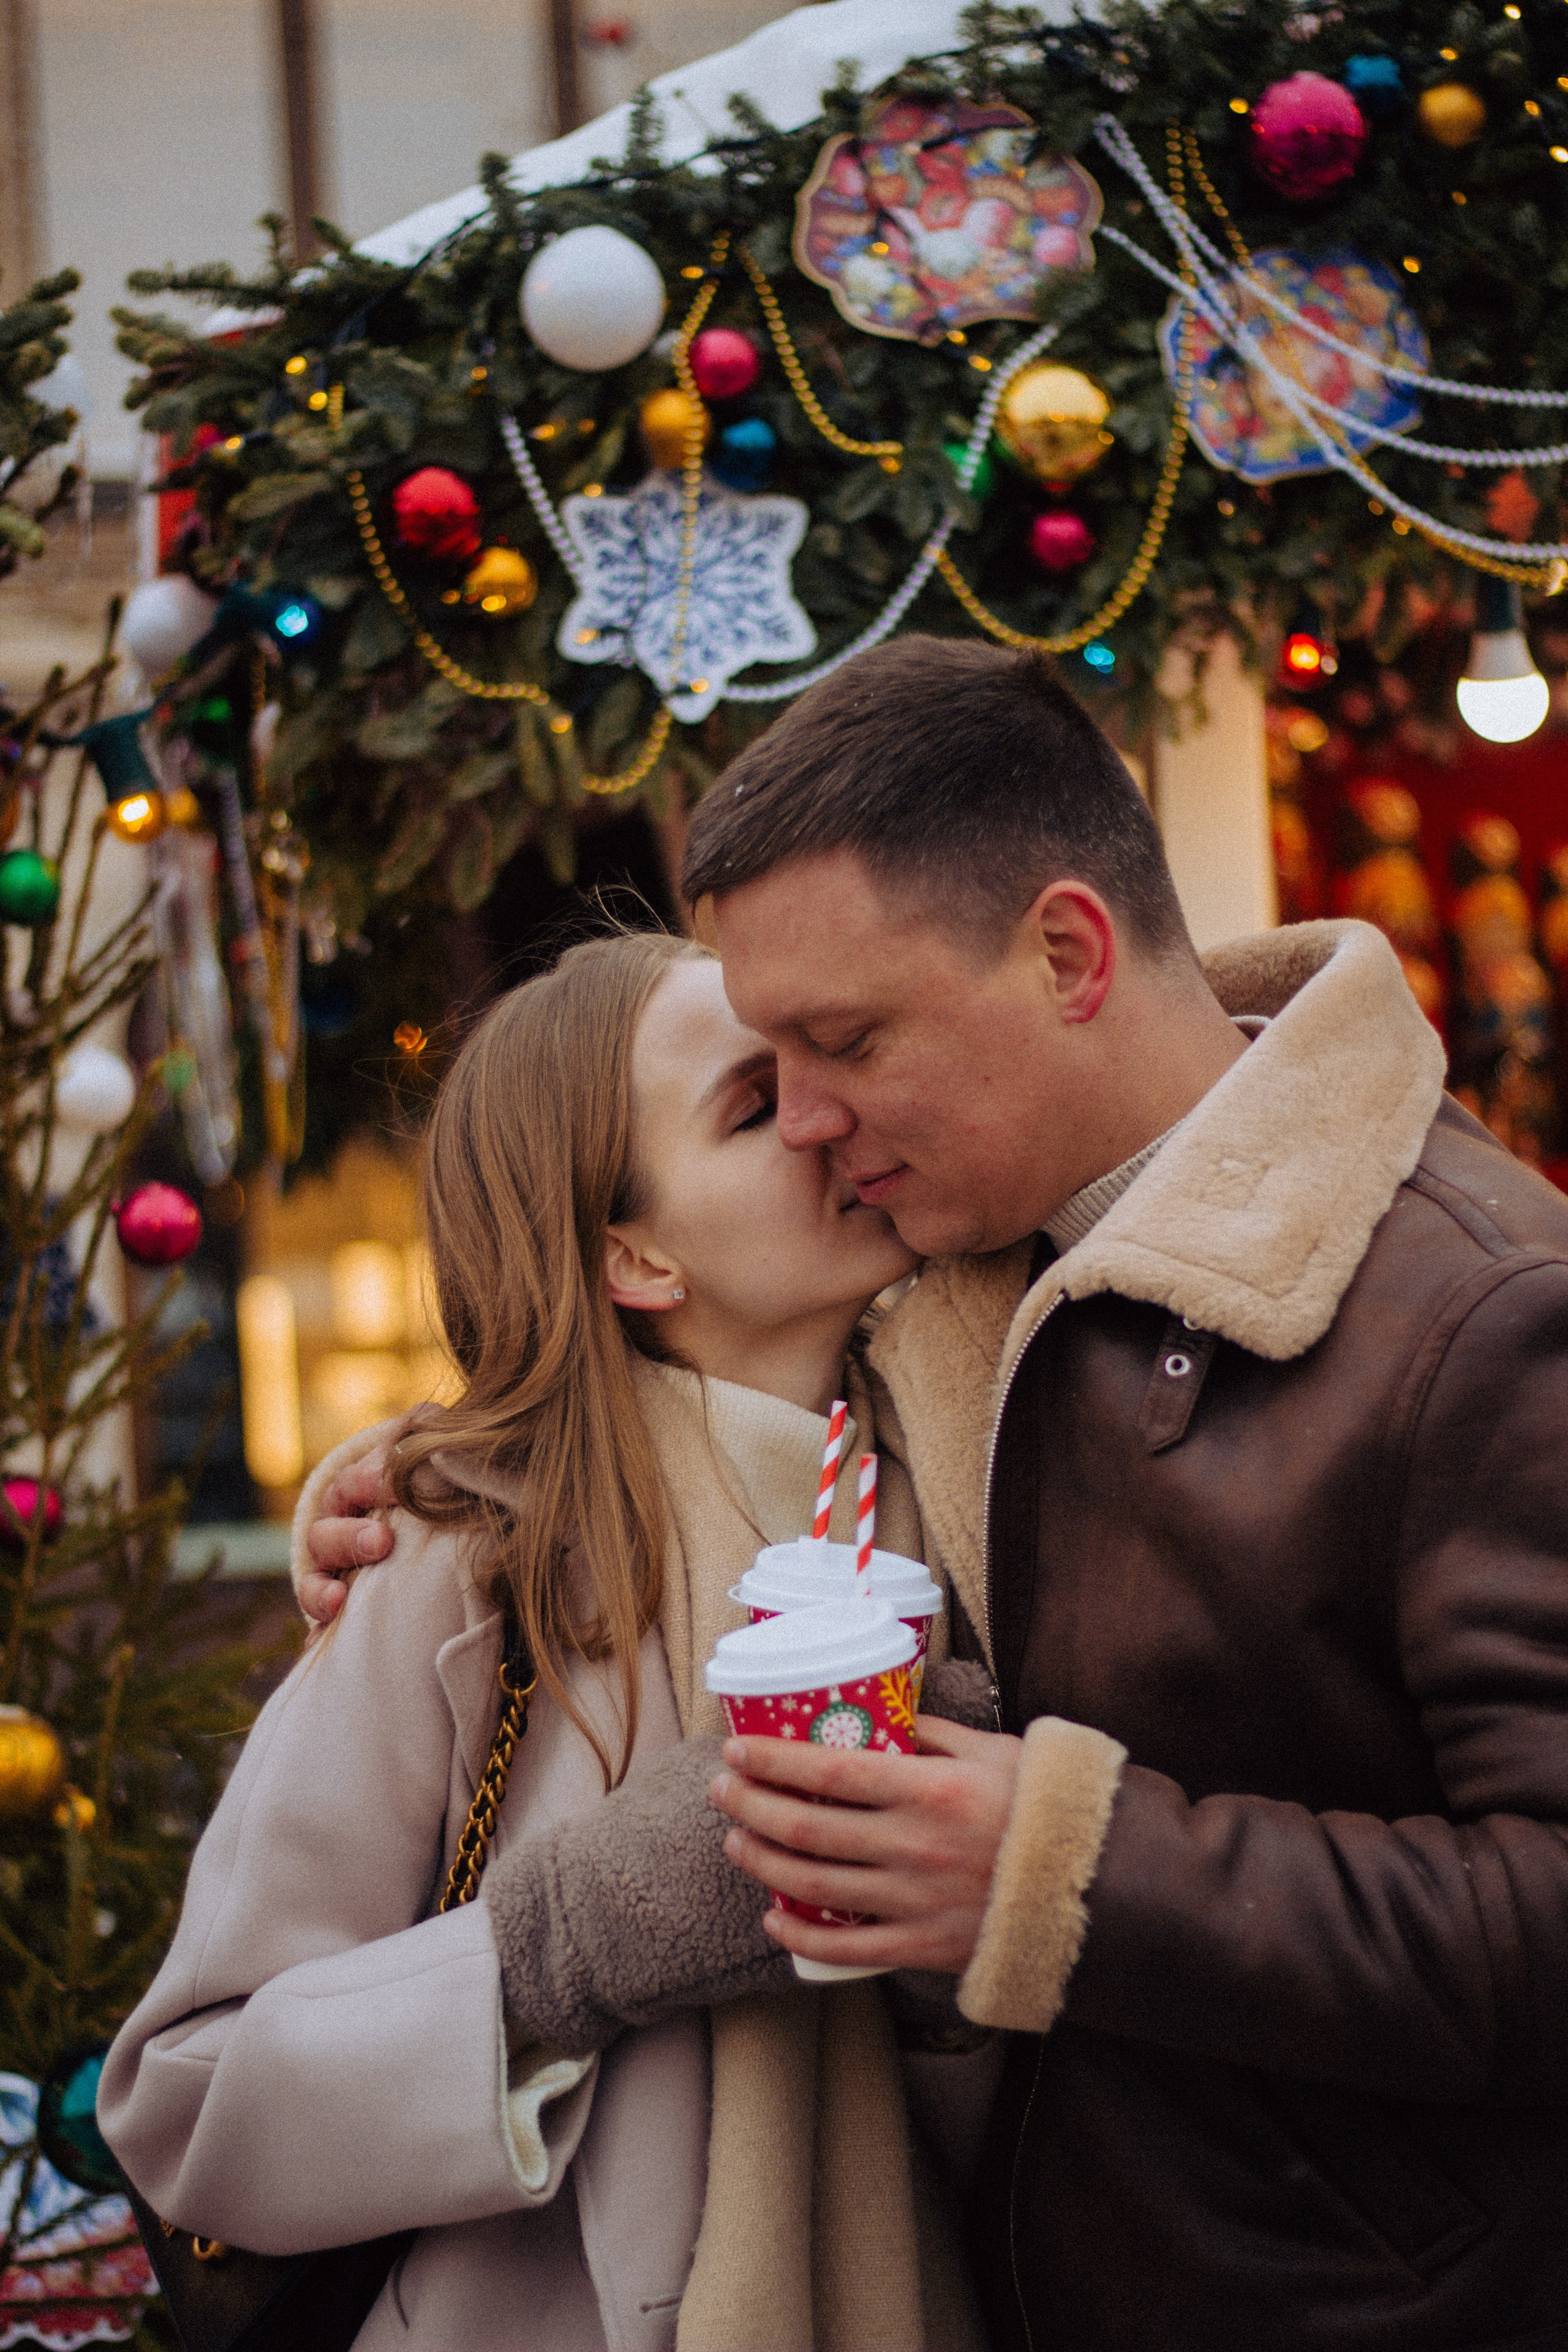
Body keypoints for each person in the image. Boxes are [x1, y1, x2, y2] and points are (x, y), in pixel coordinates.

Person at [665, 633, 1568, 2352]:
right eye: (766, 1062)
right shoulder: (954, 1248)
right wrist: (407, 1492)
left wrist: (1066, 1875)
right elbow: (669, 1369)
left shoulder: (1488, 1313)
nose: (795, 1120)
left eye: (842, 1038)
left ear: (1068, 951)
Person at [99, 930, 989, 2352]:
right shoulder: (460, 1560)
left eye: (830, 1060)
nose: (828, 1114)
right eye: (756, 1104)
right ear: (633, 1252)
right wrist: (555, 1950)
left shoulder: (984, 1481)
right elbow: (187, 2103)